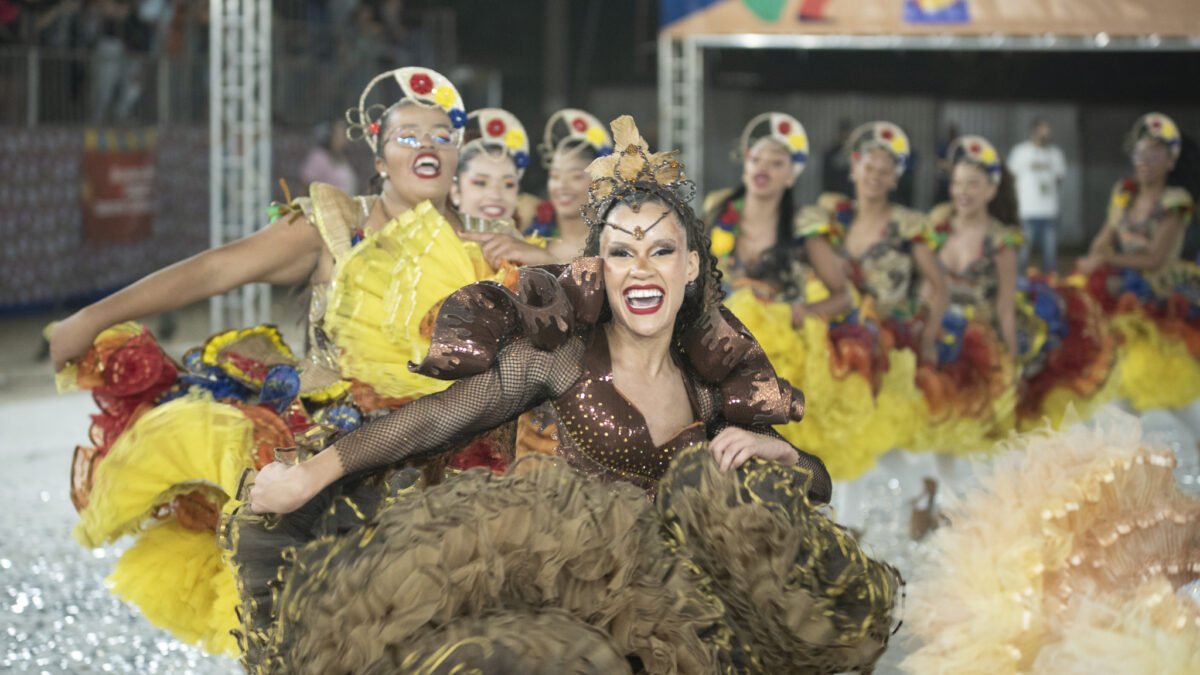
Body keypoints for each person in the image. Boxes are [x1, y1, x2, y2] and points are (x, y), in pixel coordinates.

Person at [226, 116, 900, 674]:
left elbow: (818, 482)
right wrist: (309, 474)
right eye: (620, 252)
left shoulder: (710, 383)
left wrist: (770, 450)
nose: (641, 269)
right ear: (596, 268)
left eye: (661, 251)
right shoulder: (565, 359)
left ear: (690, 267)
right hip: (579, 594)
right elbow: (432, 422)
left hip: (694, 614)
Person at [46, 66, 513, 653]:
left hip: (448, 451)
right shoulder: (331, 227)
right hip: (326, 447)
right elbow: (216, 268)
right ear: (377, 151)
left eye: (441, 136)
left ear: (459, 152)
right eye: (408, 135)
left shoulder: (491, 238)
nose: (427, 146)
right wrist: (93, 318)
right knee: (314, 631)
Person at [1080, 112, 1199, 412]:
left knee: (1165, 380)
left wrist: (1108, 257)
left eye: (1155, 154)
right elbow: (1100, 242)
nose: (1144, 160)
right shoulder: (1125, 195)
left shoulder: (1176, 201)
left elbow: (1156, 259)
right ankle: (1126, 445)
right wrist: (1107, 237)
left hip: (1160, 296)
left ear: (1171, 161)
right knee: (1128, 379)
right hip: (1123, 295)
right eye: (1140, 152)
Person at [1009, 118, 1066, 272]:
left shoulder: (1055, 154)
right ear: (1033, 131)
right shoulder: (1020, 152)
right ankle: (1018, 289)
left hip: (1049, 212)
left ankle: (1048, 289)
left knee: (1050, 257)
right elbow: (1010, 178)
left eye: (1048, 131)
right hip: (1027, 212)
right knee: (1022, 256)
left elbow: (1059, 179)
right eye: (1043, 131)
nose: (1046, 135)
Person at [299, 118, 359, 195]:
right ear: (329, 137)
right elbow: (305, 186)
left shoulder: (343, 159)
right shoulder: (318, 157)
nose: (344, 139)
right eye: (340, 135)